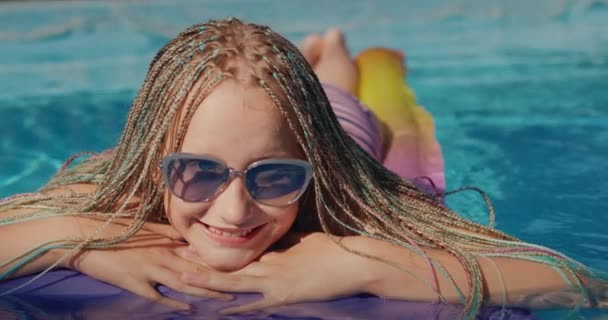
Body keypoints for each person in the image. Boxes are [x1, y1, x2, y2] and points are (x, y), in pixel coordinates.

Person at [0, 18, 605, 319]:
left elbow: (579, 283)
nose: (234, 210)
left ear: (310, 167)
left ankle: (332, 53)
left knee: (343, 104)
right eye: (197, 173)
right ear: (155, 159)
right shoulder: (116, 198)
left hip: (343, 137)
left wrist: (366, 263)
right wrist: (73, 240)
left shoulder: (342, 194)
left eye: (276, 176)